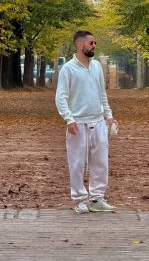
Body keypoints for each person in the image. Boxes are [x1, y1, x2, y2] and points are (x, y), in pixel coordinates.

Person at [55, 30, 119, 214]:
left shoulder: (97, 66)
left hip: (98, 121)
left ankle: (97, 198)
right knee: (76, 163)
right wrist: (69, 119)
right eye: (91, 43)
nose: (94, 46)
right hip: (78, 123)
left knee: (100, 162)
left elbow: (102, 93)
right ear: (80, 44)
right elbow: (61, 97)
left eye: (95, 43)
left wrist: (108, 115)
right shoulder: (68, 69)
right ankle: (79, 200)